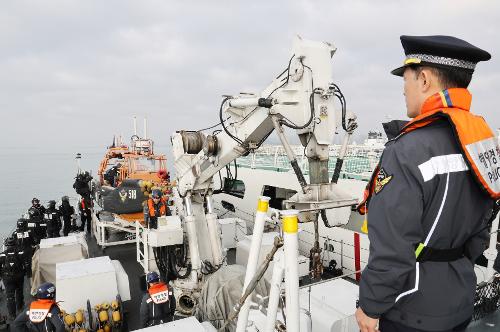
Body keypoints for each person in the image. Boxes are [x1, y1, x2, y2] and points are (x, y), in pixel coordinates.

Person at [355, 35, 498, 332]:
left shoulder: (407, 149)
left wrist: (371, 305)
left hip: (410, 310)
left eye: (405, 81)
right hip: (459, 296)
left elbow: (392, 245)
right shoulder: (481, 144)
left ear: (423, 79)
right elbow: (482, 228)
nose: (403, 92)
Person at [0, 237, 27, 320]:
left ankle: (12, 315)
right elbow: (25, 264)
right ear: (15, 243)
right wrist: (24, 273)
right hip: (19, 276)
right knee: (19, 291)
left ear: (6, 245)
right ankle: (20, 307)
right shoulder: (20, 253)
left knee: (10, 296)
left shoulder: (2, 255)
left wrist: (2, 276)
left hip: (7, 278)